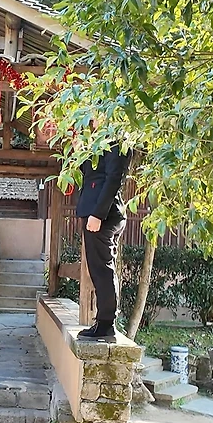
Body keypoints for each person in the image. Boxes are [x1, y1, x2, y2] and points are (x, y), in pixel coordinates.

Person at [77, 143, 132, 339]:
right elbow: (90, 172)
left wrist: (98, 214)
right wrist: (80, 150)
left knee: (102, 270)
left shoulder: (117, 143)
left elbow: (114, 179)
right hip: (99, 212)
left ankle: (106, 323)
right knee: (101, 269)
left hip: (103, 215)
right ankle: (104, 321)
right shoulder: (98, 143)